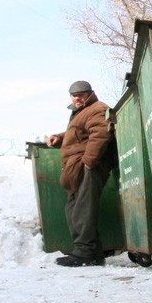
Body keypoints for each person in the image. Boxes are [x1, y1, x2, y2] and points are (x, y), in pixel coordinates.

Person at [46, 80, 115, 267]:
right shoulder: (81, 113)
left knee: (82, 211)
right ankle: (94, 253)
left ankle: (84, 254)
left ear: (90, 94)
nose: (77, 98)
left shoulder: (96, 108)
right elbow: (77, 134)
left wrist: (88, 163)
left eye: (81, 94)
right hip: (75, 169)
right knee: (75, 210)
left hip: (87, 168)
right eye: (74, 95)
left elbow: (100, 134)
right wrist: (59, 138)